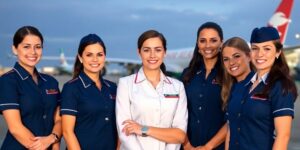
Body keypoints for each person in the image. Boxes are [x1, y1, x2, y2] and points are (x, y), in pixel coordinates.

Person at [227, 27, 297, 150]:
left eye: (267, 48)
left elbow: (283, 136)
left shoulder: (280, 87)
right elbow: (231, 128)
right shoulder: (242, 85)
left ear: (277, 52)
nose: (260, 54)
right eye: (255, 48)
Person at [116, 30, 188, 150]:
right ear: (139, 52)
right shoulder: (125, 84)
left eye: (158, 50)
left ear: (164, 52)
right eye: (146, 50)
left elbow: (179, 136)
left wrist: (143, 129)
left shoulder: (178, 87)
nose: (152, 55)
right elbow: (125, 133)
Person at [0, 26, 61, 150]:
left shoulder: (51, 82)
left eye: (37, 47)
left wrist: (53, 139)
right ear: (15, 49)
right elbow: (15, 128)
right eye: (26, 46)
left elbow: (59, 120)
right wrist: (41, 146)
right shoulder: (8, 81)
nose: (33, 52)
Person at [60, 34, 118, 149]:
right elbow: (67, 132)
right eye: (89, 55)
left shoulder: (112, 88)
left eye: (99, 55)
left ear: (104, 57)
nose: (95, 59)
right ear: (81, 58)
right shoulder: (71, 88)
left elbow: (119, 128)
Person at [181, 22, 226, 150]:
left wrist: (208, 147)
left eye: (213, 40)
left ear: (221, 43)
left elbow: (233, 117)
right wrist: (186, 144)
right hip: (187, 146)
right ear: (197, 43)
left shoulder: (229, 75)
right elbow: (178, 112)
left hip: (218, 147)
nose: (207, 45)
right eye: (203, 41)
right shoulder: (187, 74)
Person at [219, 37, 254, 150]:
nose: (231, 63)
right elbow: (231, 129)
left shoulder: (262, 86)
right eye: (226, 59)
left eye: (236, 56)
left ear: (249, 56)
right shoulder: (231, 89)